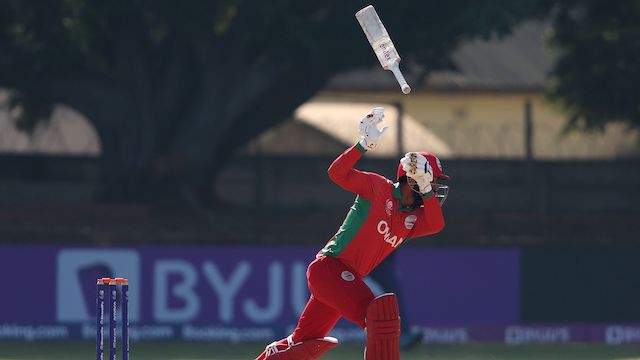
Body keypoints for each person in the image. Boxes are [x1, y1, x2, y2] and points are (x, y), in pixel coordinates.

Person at [255, 107, 449, 360]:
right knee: (380, 315)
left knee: (302, 344)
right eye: (431, 182)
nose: (434, 189)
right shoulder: (377, 187)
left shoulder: (411, 219)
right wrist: (362, 145)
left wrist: (425, 192)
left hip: (344, 278)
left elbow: (436, 225)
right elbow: (336, 173)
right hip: (330, 268)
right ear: (412, 179)